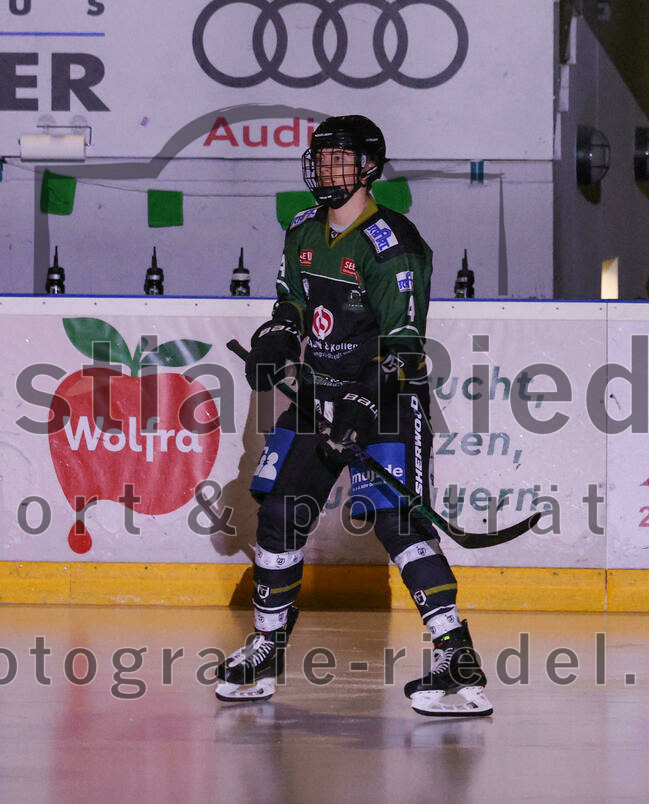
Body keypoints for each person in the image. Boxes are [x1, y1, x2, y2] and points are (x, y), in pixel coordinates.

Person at [215, 115, 492, 717]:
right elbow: (293, 302)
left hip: (389, 399)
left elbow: (404, 348)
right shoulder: (301, 229)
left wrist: (364, 410)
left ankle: (458, 662)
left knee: (400, 528)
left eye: (340, 160)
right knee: (279, 516)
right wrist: (276, 338)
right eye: (319, 159)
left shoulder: (396, 247)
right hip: (318, 396)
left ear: (370, 169)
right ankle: (267, 647)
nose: (325, 170)